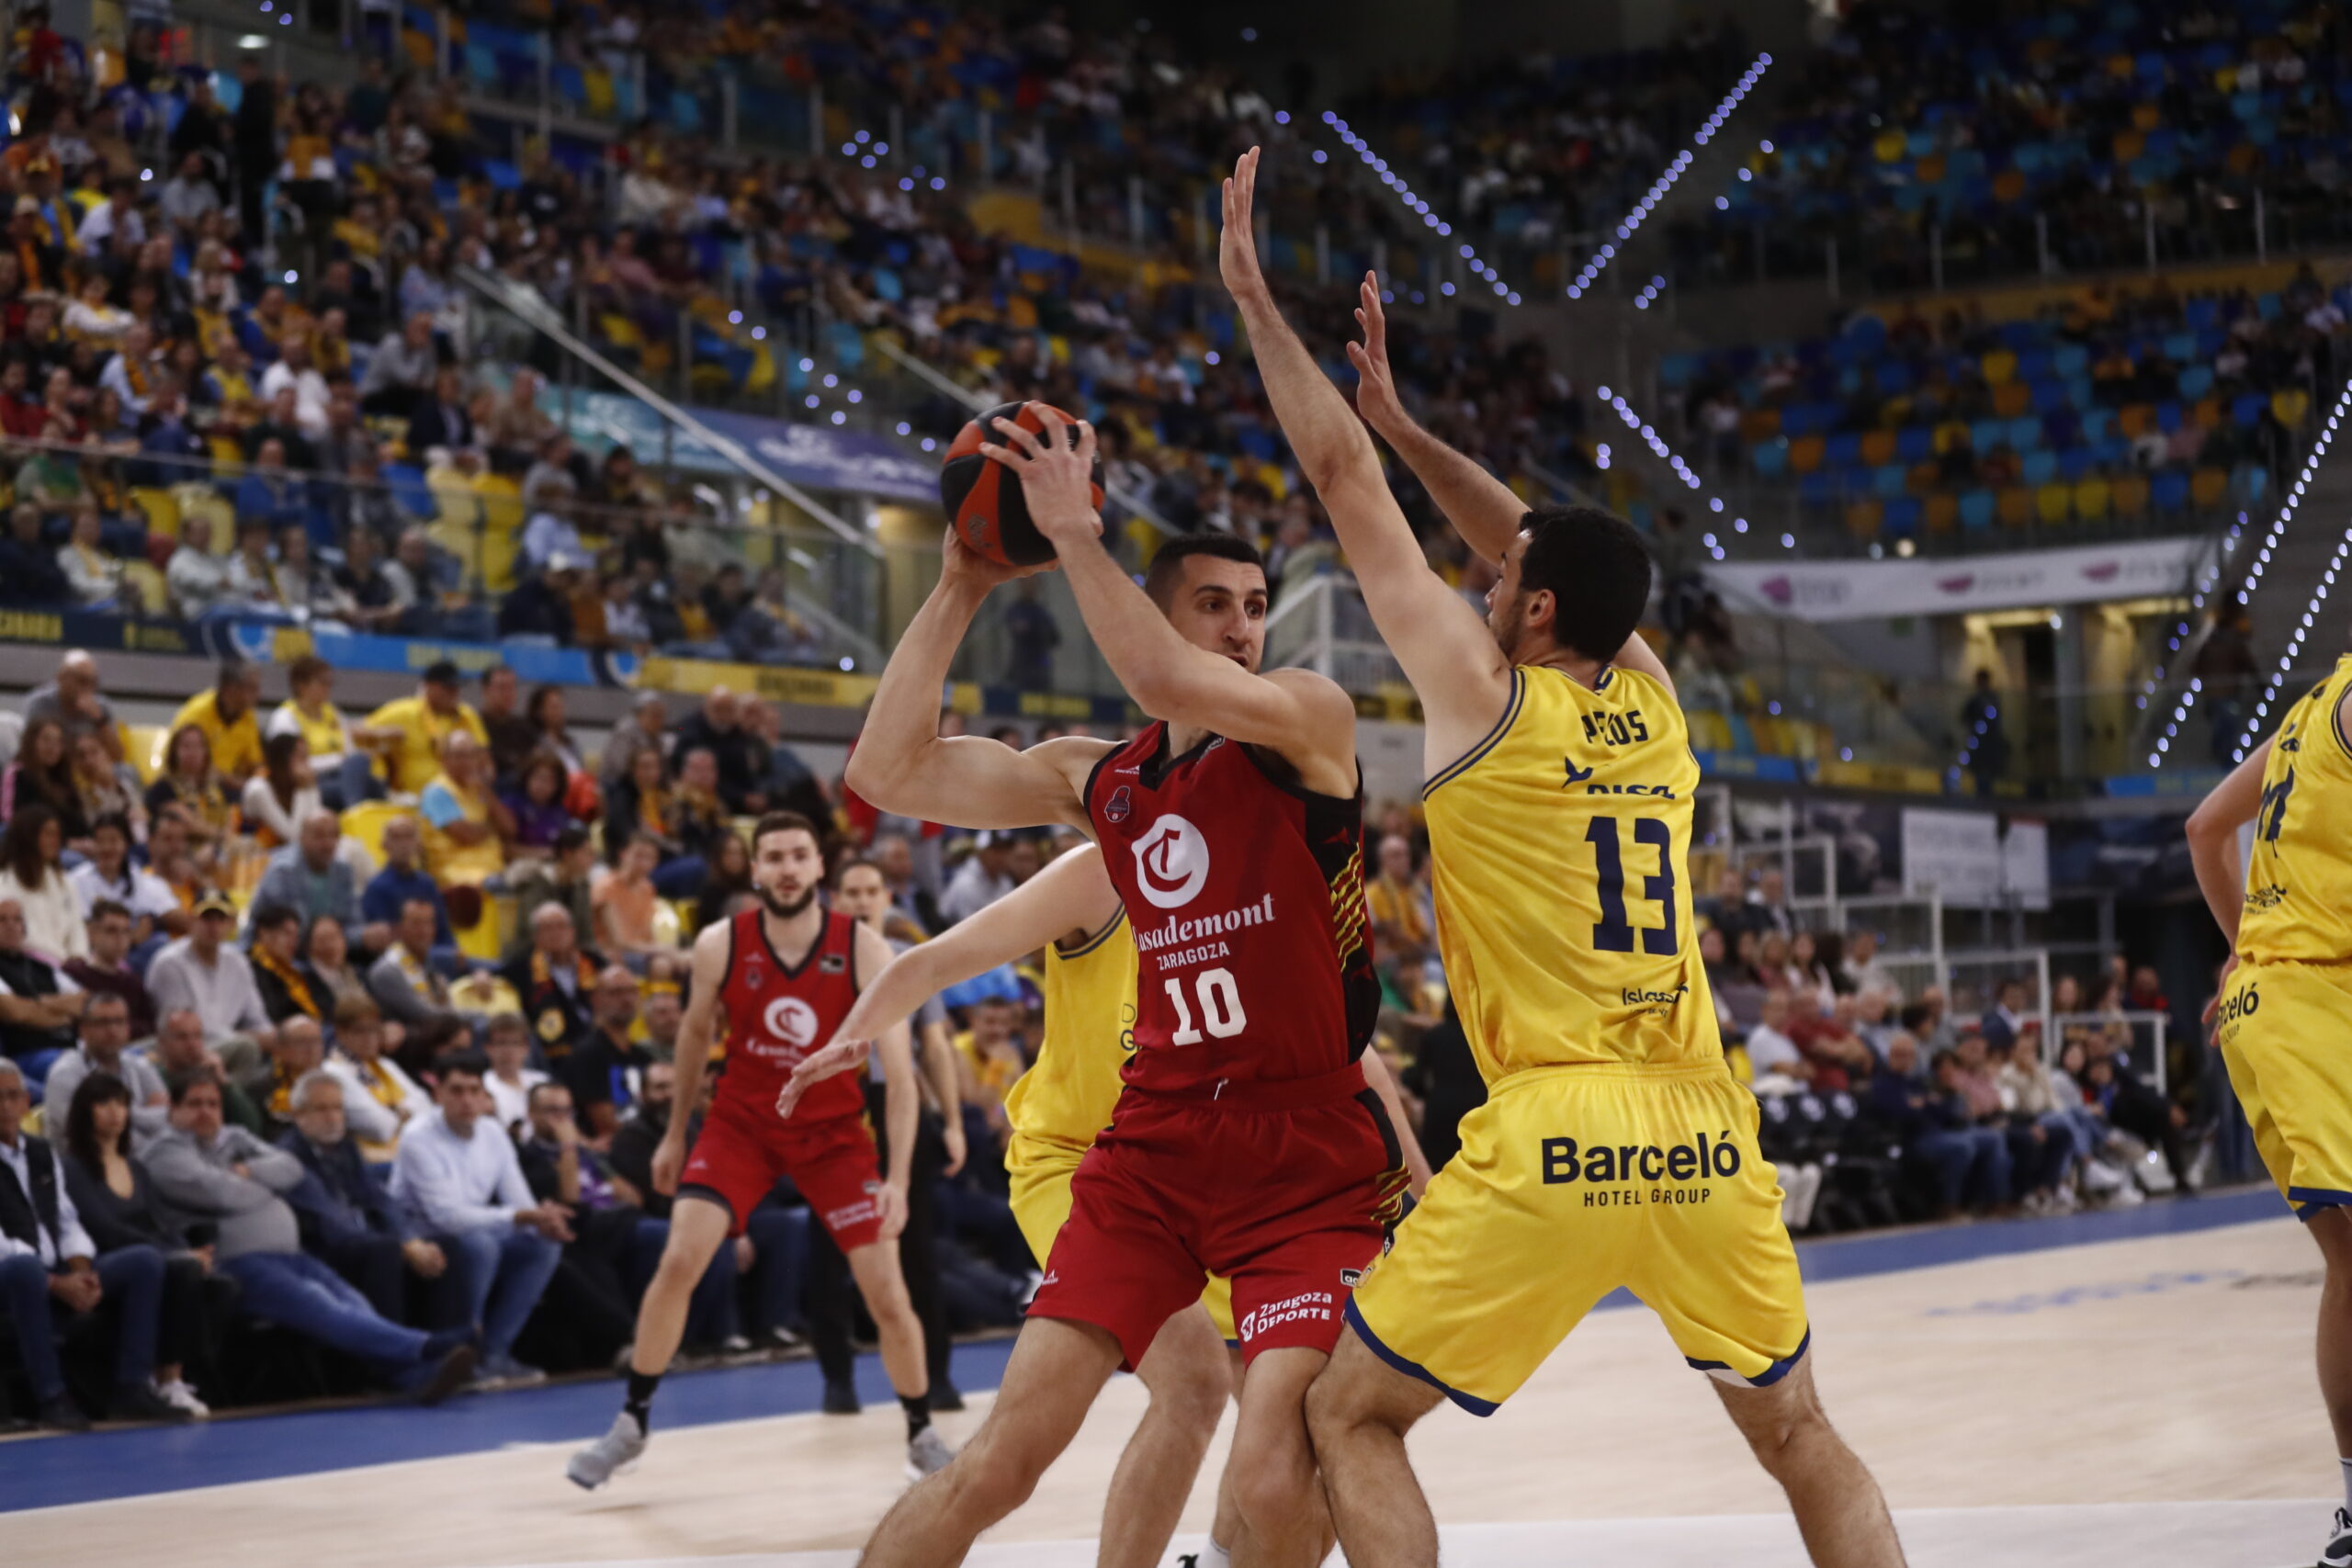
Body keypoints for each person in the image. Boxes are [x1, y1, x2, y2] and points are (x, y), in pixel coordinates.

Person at [1221, 165, 1897, 1568]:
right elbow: (1546, 545)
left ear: (1532, 610)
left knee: (1352, 1412)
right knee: (1800, 1430)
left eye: (1500, 576)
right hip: (1704, 1122)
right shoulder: (1656, 699)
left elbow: (1342, 485)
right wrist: (1409, 423)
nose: (1480, 577)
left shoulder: (1482, 696)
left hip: (1557, 1124)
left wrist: (1258, 309)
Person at [827, 402, 1406, 1561]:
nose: (1242, 630)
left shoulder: (1308, 720)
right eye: (1213, 605)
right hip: (1154, 1146)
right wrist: (961, 586)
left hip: (1303, 1154)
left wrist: (1071, 533)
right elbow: (886, 772)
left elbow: (1153, 670)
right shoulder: (1104, 784)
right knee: (1000, 1461)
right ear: (1159, 604)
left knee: (1272, 1464)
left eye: (1254, 608)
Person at [796, 842, 1432, 1567]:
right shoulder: (1102, 871)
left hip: (1205, 1169)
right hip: (1078, 1161)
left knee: (1276, 1426)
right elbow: (937, 958)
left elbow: (1350, 1054)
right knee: (1165, 1390)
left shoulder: (1258, 880)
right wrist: (853, 1033)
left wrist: (1426, 1196)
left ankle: (1218, 1557)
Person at [565, 813, 944, 1489]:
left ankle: (921, 1431)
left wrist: (897, 1179)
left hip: (833, 1135)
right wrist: (675, 1133)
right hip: (742, 1124)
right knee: (679, 1257)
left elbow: (900, 1076)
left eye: (799, 855)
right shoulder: (721, 943)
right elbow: (691, 1038)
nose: (788, 868)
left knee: (887, 1293)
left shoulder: (863, 948)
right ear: (756, 867)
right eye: (774, 856)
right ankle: (631, 1422)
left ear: (819, 866)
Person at [141, 1067, 477, 1401]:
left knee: (353, 1302)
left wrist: (247, 1173)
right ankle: (426, 1346)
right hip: (235, 1262)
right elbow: (222, 1194)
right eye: (195, 1104)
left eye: (213, 1104)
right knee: (322, 1305)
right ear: (173, 1109)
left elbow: (291, 1168)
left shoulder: (234, 1138)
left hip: (290, 1255)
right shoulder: (164, 1154)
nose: (206, 1112)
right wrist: (265, 1186)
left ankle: (413, 1376)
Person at [0, 1058, 186, 1428]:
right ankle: (52, 1397)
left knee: (144, 1261)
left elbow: (67, 1219)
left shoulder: (41, 1152)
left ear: (25, 1102)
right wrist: (55, 1282)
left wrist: (81, 1272)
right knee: (25, 1269)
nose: (5, 1106)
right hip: (13, 1275)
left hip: (58, 1269)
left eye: (12, 1096)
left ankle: (132, 1387)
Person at [390, 1054, 567, 1384]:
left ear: (485, 1096)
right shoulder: (417, 1137)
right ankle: (461, 1353)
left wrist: (543, 1221)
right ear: (438, 1094)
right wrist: (521, 1216)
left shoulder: (492, 1132)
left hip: (475, 1227)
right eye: (456, 1091)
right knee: (480, 1246)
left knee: (543, 1246)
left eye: (474, 1091)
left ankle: (495, 1353)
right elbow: (446, 1217)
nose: (467, 1100)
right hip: (421, 1234)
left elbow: (518, 1198)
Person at [59, 1072, 221, 1416]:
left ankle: (176, 1381)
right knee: (160, 1262)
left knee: (215, 1281)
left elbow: (161, 1222)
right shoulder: (72, 1168)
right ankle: (145, 1382)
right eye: (103, 1103)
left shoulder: (135, 1166)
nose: (114, 1112)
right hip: (104, 1262)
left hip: (150, 1255)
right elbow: (104, 1228)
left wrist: (190, 1251)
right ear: (84, 1111)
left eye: (121, 1104)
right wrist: (175, 1253)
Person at [275, 1068, 444, 1322]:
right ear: (299, 1115)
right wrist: (399, 1245)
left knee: (444, 1245)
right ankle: (395, 1343)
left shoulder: (345, 1146)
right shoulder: (289, 1156)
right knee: (385, 1251)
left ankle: (449, 1339)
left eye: (337, 1108)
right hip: (325, 1249)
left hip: (362, 1240)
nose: (333, 1117)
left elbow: (377, 1198)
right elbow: (329, 1223)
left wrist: (410, 1240)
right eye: (322, 1109)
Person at [146, 896, 276, 1056]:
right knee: (246, 1048)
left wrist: (271, 1037)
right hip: (185, 1052)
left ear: (231, 924)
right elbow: (181, 1028)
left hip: (232, 1046)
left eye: (220, 919)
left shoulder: (237, 961)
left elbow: (257, 1019)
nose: (214, 926)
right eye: (206, 919)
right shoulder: (169, 963)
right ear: (191, 921)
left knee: (291, 1037)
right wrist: (244, 1038)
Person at [43, 992, 167, 1136]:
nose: (112, 1030)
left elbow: (168, 1118)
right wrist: (144, 1115)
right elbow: (86, 1132)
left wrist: (118, 1117)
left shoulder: (139, 1065)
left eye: (119, 1021)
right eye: (103, 1023)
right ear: (83, 1029)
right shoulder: (65, 1074)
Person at [322, 995, 427, 1161]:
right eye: (360, 1031)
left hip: (411, 1150)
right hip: (374, 1160)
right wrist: (406, 1112)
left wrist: (396, 1113)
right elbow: (380, 1128)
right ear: (340, 1033)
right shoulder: (333, 1071)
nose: (370, 1037)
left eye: (374, 1029)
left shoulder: (385, 1065)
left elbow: (426, 1107)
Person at [251, 810, 372, 953]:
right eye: (319, 836)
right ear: (302, 838)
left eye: (333, 836)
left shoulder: (343, 870)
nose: (327, 844)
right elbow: (271, 931)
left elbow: (353, 923)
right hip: (287, 954)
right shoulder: (282, 872)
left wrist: (364, 936)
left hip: (330, 954)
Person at [361, 661, 488, 797]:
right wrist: (384, 735)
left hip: (460, 797)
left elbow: (484, 759)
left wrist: (480, 778)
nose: (454, 692)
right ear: (428, 686)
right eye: (448, 687)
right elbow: (358, 731)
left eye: (456, 687)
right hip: (411, 798)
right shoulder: (405, 712)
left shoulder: (467, 715)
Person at [267, 654, 377, 809]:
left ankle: (356, 807)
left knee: (369, 775)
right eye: (323, 682)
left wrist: (347, 760)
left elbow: (350, 753)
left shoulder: (333, 713)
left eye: (331, 683)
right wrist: (337, 760)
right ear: (301, 685)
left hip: (342, 777)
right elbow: (291, 767)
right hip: (307, 783)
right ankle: (355, 809)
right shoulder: (285, 717)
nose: (328, 688)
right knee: (364, 785)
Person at [0, 897, 85, 1079]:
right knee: (72, 1069)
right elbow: (15, 1012)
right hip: (26, 1054)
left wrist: (37, 1004)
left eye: (17, 919)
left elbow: (84, 1001)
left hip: (70, 1046)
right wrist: (63, 1015)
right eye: (2, 919)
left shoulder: (42, 966)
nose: (11, 925)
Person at [0, 804, 90, 964]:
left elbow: (77, 929)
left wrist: (78, 956)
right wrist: (55, 959)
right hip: (27, 962)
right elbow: (17, 932)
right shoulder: (5, 880)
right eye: (48, 834)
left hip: (66, 965)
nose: (55, 841)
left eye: (57, 835)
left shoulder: (64, 882)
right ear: (28, 836)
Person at [166, 662, 265, 788]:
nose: (257, 695)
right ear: (230, 688)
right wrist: (235, 782)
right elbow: (179, 764)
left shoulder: (248, 717)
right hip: (193, 785)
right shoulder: (196, 714)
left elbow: (254, 763)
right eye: (252, 689)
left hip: (231, 788)